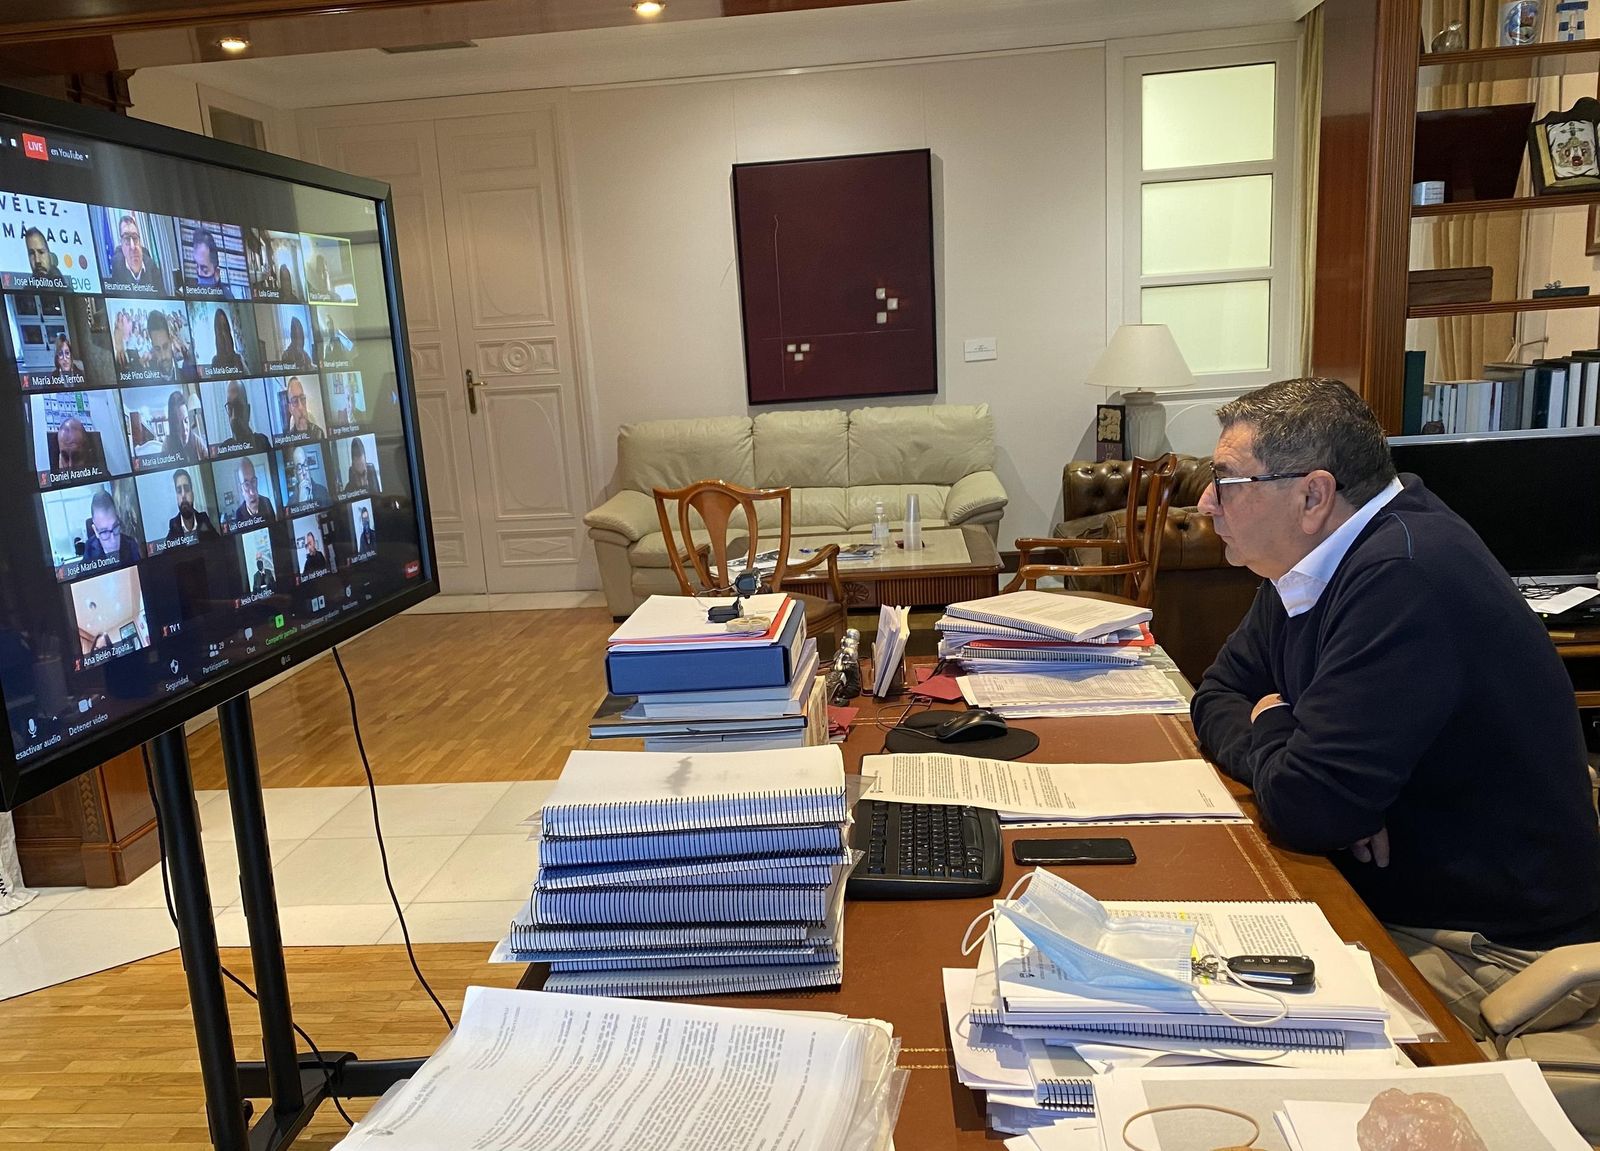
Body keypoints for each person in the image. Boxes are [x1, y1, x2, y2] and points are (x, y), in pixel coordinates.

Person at [1189, 377, 1600, 1032]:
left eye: (1227, 479)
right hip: (1393, 896)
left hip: (1489, 948)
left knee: (1225, 1017)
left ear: (1312, 494)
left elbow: (1309, 805)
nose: (1206, 502)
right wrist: (1295, 748)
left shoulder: (1404, 572)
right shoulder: (1308, 562)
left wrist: (1276, 727)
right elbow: (1215, 693)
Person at [82, 490, 140, 565]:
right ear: (95, 531)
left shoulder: (131, 544)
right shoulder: (89, 551)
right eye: (104, 532)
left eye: (115, 527)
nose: (113, 540)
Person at [110, 212, 161, 289]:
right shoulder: (117, 263)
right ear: (121, 243)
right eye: (127, 238)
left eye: (135, 238)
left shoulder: (151, 265)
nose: (133, 246)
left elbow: (162, 294)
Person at [164, 468, 217, 541]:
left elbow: (220, 545)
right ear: (176, 497)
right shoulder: (173, 527)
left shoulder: (203, 519)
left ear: (192, 494)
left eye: (186, 489)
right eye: (179, 491)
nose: (183, 495)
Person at [144, 309, 195, 383]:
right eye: (157, 349)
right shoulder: (148, 377)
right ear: (152, 346)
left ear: (171, 340)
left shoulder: (186, 371)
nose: (163, 356)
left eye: (165, 347)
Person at [219, 380, 270, 451]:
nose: (234, 417)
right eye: (230, 408)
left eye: (238, 407)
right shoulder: (223, 449)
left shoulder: (262, 442)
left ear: (248, 410)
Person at [161, 390, 206, 462]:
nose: (184, 429)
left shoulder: (196, 440)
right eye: (178, 424)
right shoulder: (167, 444)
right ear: (173, 426)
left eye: (186, 421)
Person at [232, 457, 275, 525]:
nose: (252, 492)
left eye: (253, 481)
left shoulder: (267, 502)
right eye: (246, 484)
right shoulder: (239, 514)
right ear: (241, 489)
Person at [208, 307, 247, 374]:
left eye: (225, 326)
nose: (223, 333)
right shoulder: (215, 361)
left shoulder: (237, 358)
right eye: (220, 327)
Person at [188, 228, 224, 295]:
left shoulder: (227, 297)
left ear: (217, 273)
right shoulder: (193, 293)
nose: (199, 275)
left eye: (205, 271)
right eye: (196, 267)